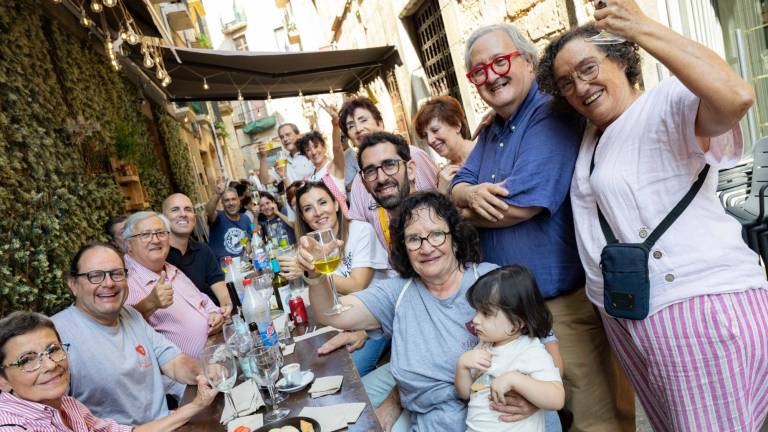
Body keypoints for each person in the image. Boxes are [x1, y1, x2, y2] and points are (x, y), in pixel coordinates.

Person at [535, 1, 768, 428]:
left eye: (589, 68)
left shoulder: (666, 105)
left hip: (694, 311)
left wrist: (643, 28)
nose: (581, 87)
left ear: (621, 58)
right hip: (637, 318)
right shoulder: (593, 134)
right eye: (566, 82)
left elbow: (737, 96)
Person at [451, 23, 632, 432]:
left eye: (500, 62)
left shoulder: (549, 112)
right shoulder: (493, 127)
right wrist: (466, 194)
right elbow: (457, 182)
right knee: (541, 417)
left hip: (562, 306)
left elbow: (518, 205)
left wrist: (460, 208)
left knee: (595, 417)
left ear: (528, 63)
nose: (491, 75)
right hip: (512, 317)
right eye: (478, 71)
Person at [297, 191, 562, 431]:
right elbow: (330, 314)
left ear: (455, 238)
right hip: (431, 423)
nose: (426, 247)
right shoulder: (397, 293)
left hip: (501, 422)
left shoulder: (491, 282)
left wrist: (536, 400)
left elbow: (546, 343)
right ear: (404, 247)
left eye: (436, 234)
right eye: (414, 239)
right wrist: (315, 273)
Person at [51, 243, 212, 426]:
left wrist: (205, 371)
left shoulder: (131, 314)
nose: (109, 283)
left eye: (117, 274)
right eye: (95, 276)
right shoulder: (55, 337)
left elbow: (174, 362)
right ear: (73, 285)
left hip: (169, 423)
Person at [0, 311, 217, 431]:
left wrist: (198, 404)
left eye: (53, 350)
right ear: (3, 380)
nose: (49, 365)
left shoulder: (68, 405)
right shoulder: (12, 427)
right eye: (27, 360)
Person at [284, 181, 390, 376]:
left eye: (323, 202)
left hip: (379, 319)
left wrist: (311, 271)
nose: (317, 212)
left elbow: (357, 285)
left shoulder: (361, 231)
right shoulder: (312, 247)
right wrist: (311, 271)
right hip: (345, 320)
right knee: (315, 366)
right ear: (304, 218)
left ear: (335, 203)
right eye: (308, 208)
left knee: (345, 374)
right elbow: (325, 303)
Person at [456, 265, 564, 432]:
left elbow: (557, 398)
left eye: (485, 313)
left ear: (516, 323)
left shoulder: (529, 350)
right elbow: (466, 394)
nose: (475, 320)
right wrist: (462, 366)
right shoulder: (484, 346)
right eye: (476, 311)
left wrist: (516, 380)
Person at [339, 97, 439, 248]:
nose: (358, 128)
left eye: (363, 120)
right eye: (351, 126)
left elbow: (440, 197)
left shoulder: (414, 156)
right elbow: (359, 231)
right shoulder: (359, 182)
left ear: (380, 123)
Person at [123, 211, 225, 358]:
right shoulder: (126, 284)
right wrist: (150, 304)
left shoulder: (169, 268)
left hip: (218, 347)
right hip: (193, 373)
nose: (156, 240)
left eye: (161, 233)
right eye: (145, 235)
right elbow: (125, 329)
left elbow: (201, 299)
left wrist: (214, 313)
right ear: (129, 244)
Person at [162, 193, 233, 313]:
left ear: (194, 218)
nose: (183, 214)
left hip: (217, 319)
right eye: (175, 210)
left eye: (188, 209)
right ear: (163, 219)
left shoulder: (203, 250)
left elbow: (222, 292)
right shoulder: (160, 257)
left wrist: (227, 308)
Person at [413, 96, 474, 194]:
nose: (430, 140)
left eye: (435, 130)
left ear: (457, 125)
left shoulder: (486, 152)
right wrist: (442, 191)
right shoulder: (444, 176)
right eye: (425, 135)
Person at [206, 177, 252, 261]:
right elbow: (209, 211)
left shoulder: (245, 218)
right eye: (226, 200)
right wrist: (217, 194)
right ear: (222, 203)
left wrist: (248, 259)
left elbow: (245, 241)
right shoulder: (218, 217)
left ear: (239, 201)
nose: (231, 203)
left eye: (233, 199)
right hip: (224, 268)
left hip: (243, 264)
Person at [296, 130, 346, 204]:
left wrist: (335, 124)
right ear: (306, 156)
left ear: (324, 147)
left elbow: (337, 147)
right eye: (308, 150)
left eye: (316, 146)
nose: (313, 152)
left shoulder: (335, 166)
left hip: (342, 214)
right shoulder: (310, 179)